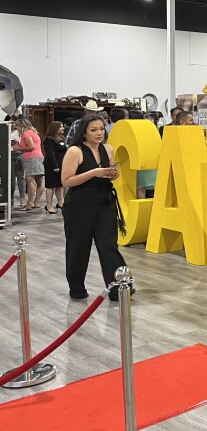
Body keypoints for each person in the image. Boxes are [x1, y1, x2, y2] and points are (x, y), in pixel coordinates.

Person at [60, 115, 128, 301]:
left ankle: (119, 287)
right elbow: (66, 181)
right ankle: (77, 289)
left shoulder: (108, 149)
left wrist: (111, 174)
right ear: (83, 132)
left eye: (101, 129)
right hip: (79, 206)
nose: (99, 133)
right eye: (93, 130)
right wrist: (94, 173)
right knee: (78, 247)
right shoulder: (75, 151)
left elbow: (108, 174)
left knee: (109, 246)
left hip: (104, 202)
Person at [15, 118, 45, 211]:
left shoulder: (26, 133)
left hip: (32, 158)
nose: (16, 128)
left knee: (30, 180)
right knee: (40, 181)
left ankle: (30, 203)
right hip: (38, 156)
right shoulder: (33, 132)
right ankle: (36, 202)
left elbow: (31, 147)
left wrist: (18, 148)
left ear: (21, 125)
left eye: (17, 126)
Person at [43, 121, 67, 214]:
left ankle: (61, 202)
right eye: (61, 127)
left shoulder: (61, 138)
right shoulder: (49, 140)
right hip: (52, 166)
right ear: (55, 128)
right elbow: (50, 154)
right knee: (51, 186)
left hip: (61, 165)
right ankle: (49, 205)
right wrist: (55, 166)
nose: (63, 128)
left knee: (59, 185)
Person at [7, 117, 26, 209]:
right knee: (11, 179)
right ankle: (11, 199)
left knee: (21, 177)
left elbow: (23, 143)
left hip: (18, 154)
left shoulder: (19, 132)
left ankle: (22, 198)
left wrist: (17, 143)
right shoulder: (4, 131)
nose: (12, 124)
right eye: (10, 122)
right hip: (9, 155)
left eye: (13, 122)